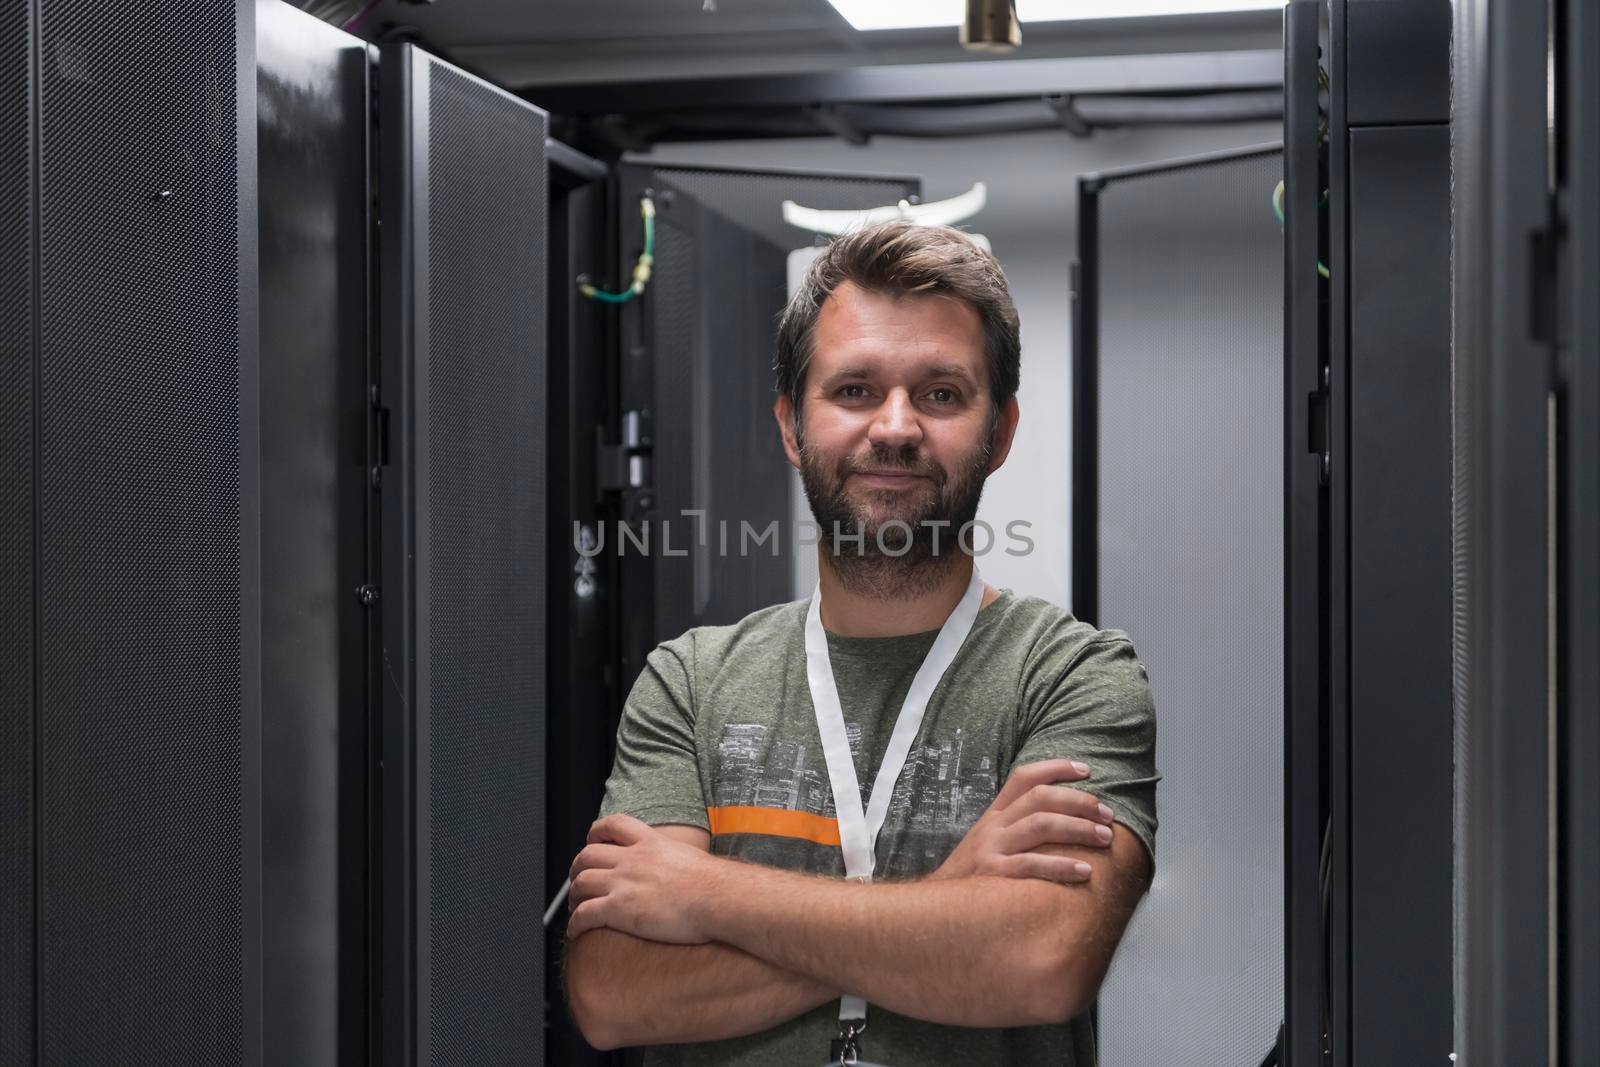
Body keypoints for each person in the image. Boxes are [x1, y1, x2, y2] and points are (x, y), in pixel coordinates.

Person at [563, 218, 1159, 1065]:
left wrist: (703, 894)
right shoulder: (689, 684)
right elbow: (613, 993)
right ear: (790, 426)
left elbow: (1041, 962)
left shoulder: (1071, 678)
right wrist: (952, 903)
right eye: (853, 390)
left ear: (1002, 431)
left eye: (942, 393)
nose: (895, 426)